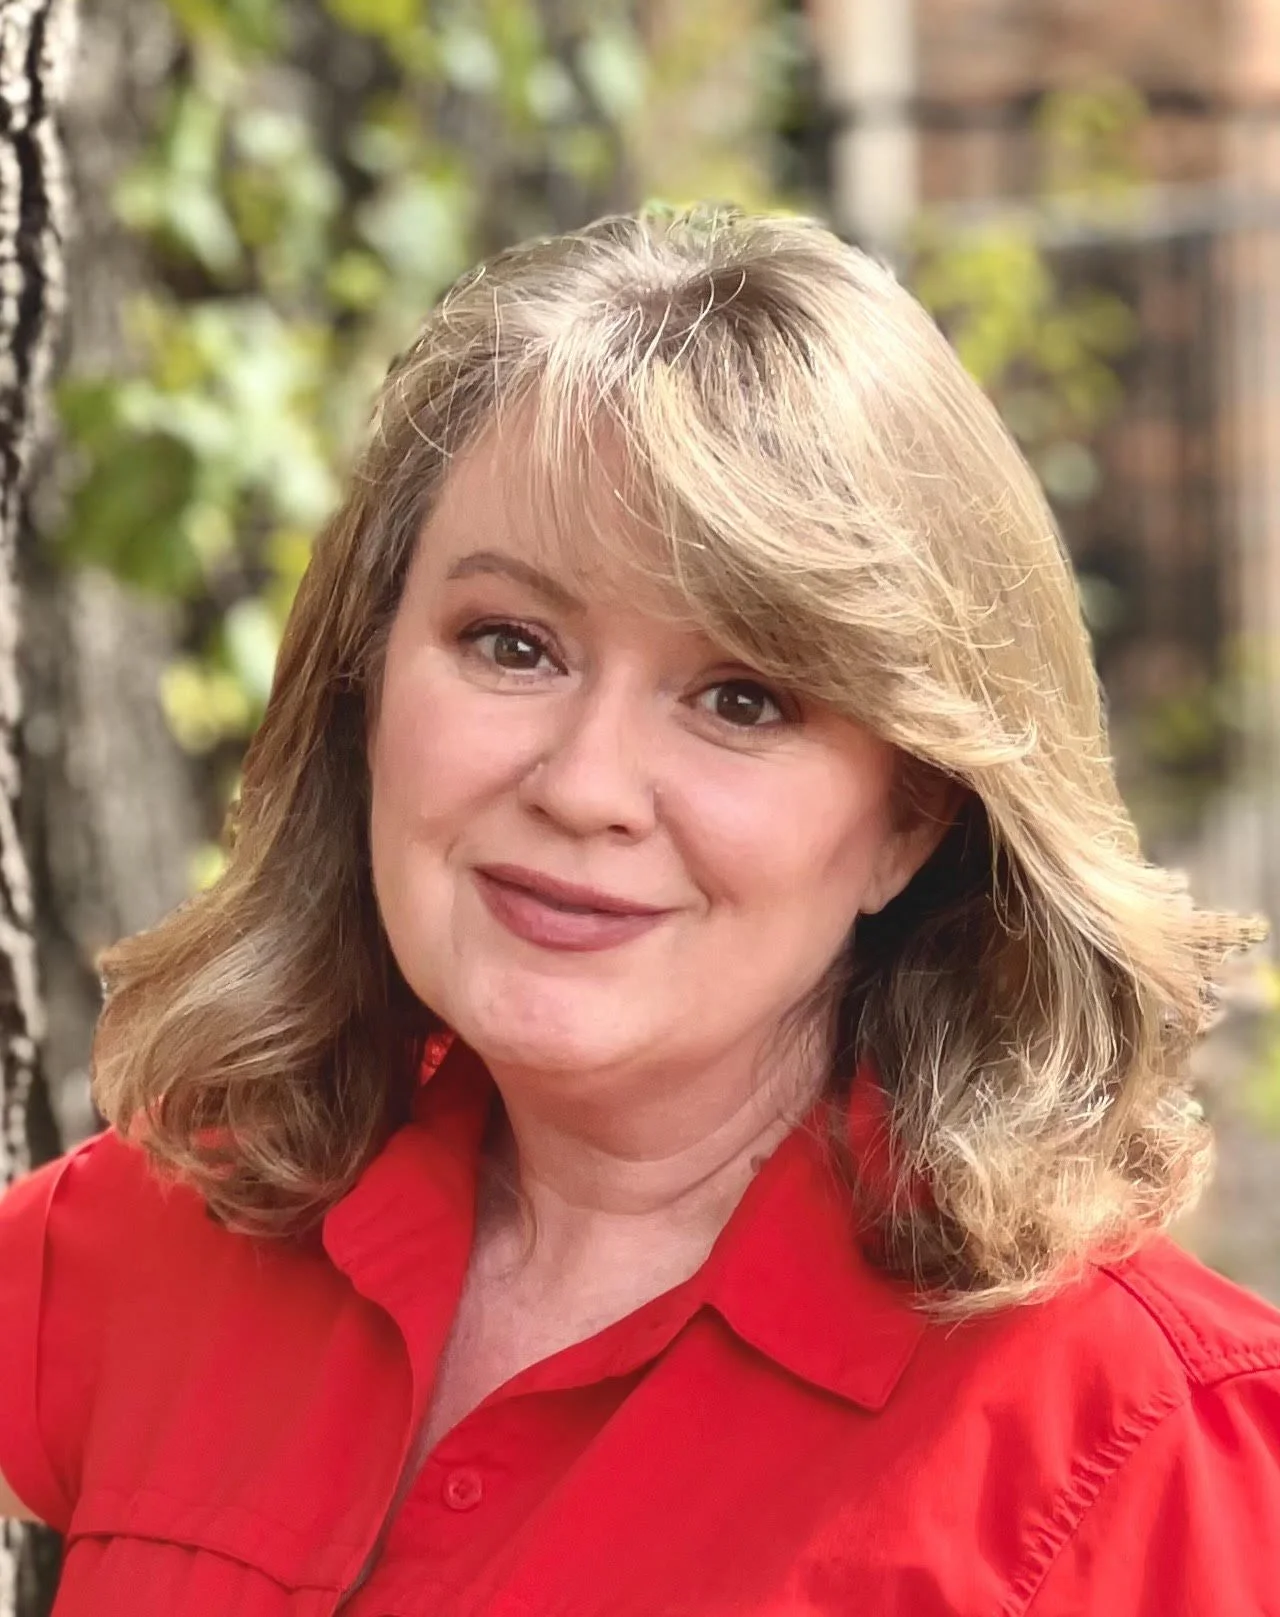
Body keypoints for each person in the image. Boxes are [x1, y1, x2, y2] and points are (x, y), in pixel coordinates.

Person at [1, 203, 1278, 1617]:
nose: (587, 786)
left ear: (911, 818)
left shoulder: (1144, 1451)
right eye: (512, 645)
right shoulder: (165, 1235)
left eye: (742, 699)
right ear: (368, 682)